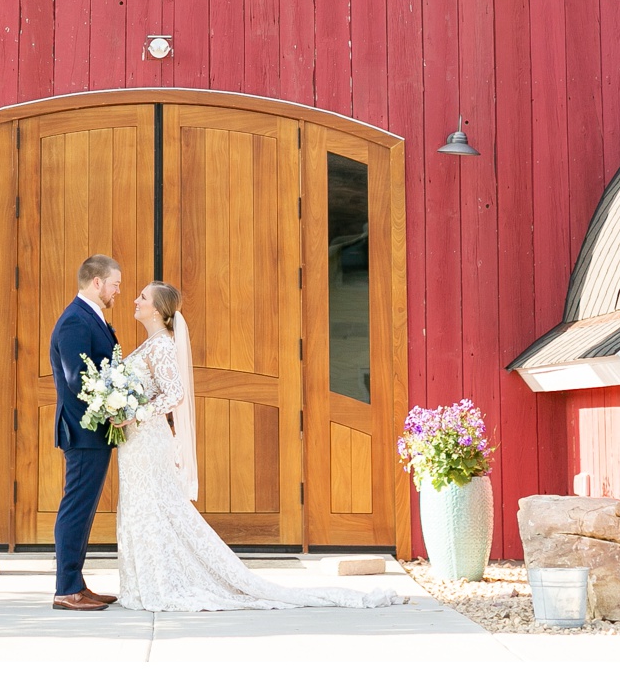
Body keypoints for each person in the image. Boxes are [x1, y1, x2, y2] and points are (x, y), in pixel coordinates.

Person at [113, 281, 401, 612]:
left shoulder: (163, 346)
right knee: (140, 507)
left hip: (149, 443)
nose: (136, 300)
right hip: (136, 442)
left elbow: (174, 394)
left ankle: (163, 583)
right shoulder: (150, 344)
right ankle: (141, 582)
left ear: (159, 310)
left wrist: (136, 411)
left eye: (143, 297)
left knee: (154, 508)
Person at [48, 254, 122, 611]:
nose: (117, 291)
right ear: (97, 282)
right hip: (82, 431)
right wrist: (117, 408)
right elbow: (80, 379)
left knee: (85, 508)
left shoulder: (92, 317)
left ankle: (77, 583)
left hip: (94, 432)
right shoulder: (75, 321)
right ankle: (66, 589)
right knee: (76, 508)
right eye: (115, 284)